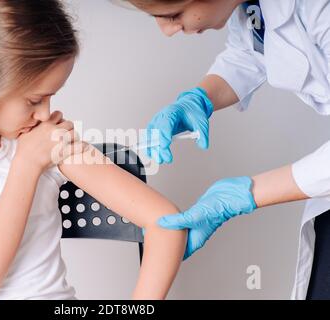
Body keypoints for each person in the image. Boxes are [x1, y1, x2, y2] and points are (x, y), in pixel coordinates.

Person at [0, 0, 187, 300]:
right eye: (33, 100)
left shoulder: (47, 142)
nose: (44, 114)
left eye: (50, 97)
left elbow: (165, 222)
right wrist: (26, 165)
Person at [125, 0, 330, 299]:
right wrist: (199, 98)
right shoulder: (252, 5)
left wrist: (247, 194)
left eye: (172, 14)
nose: (167, 31)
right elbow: (248, 53)